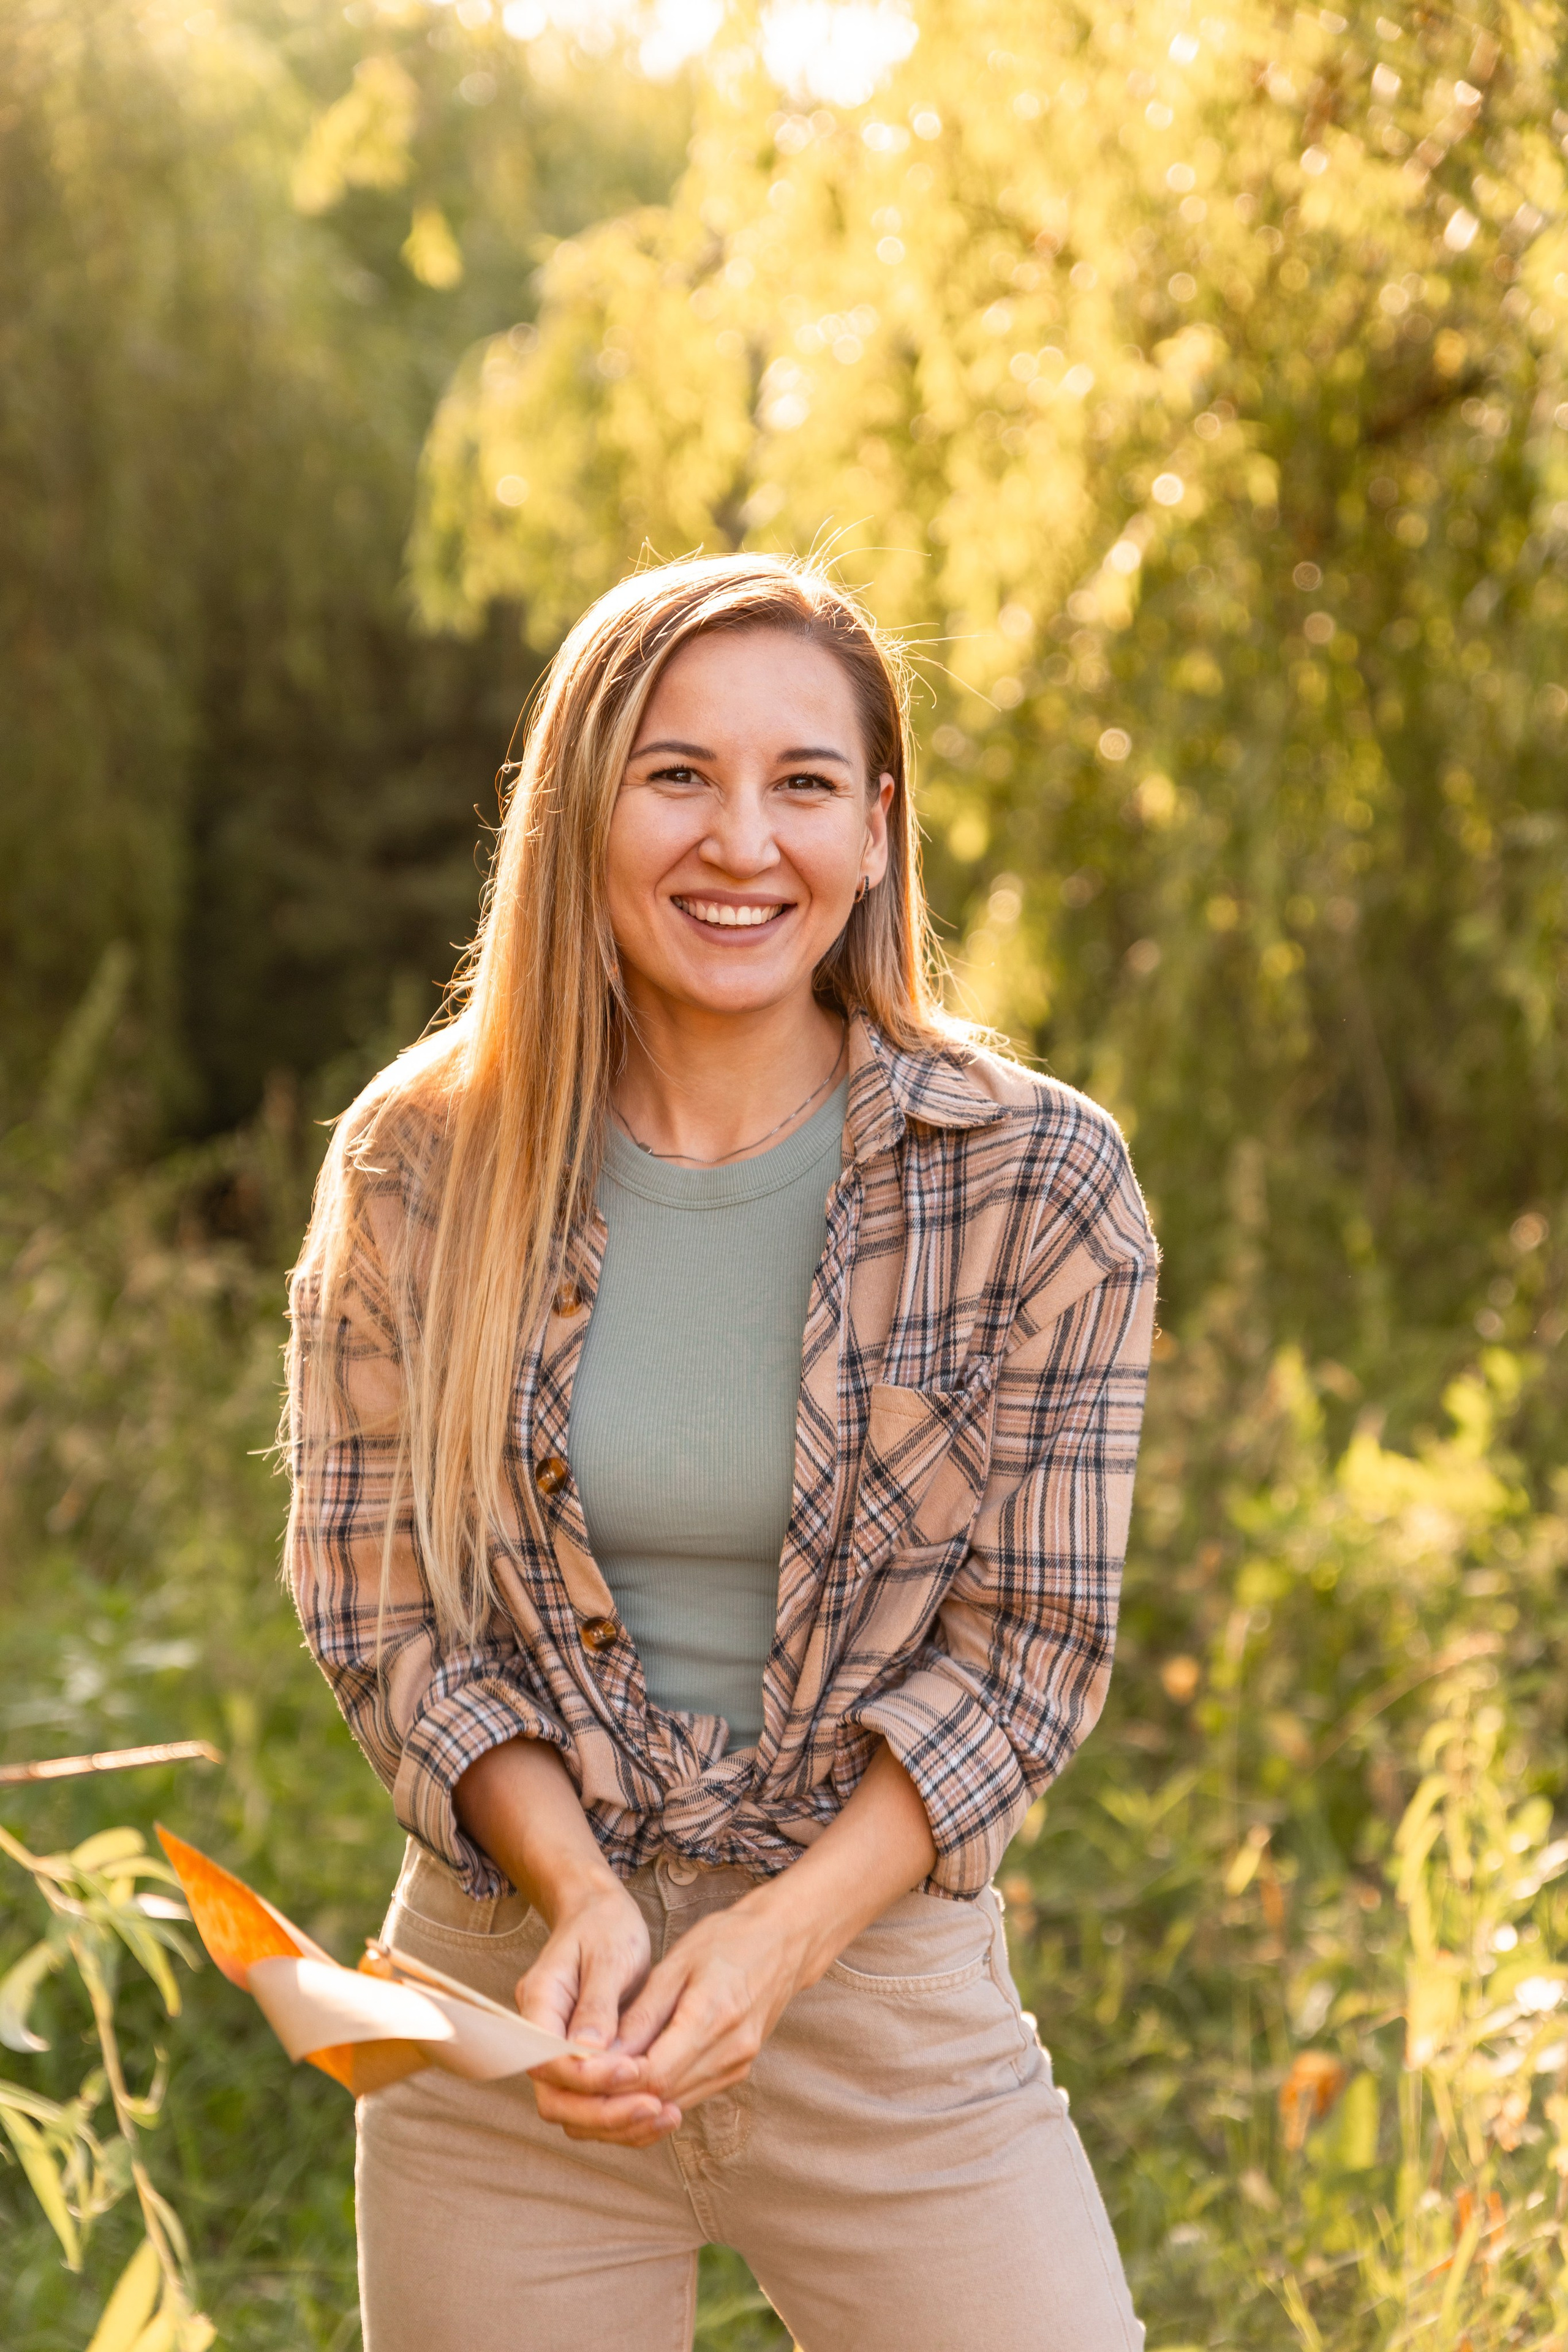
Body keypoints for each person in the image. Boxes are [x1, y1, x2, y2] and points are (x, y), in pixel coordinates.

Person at [285, 553, 1158, 2352]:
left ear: (878, 829)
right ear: (580, 807)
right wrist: (581, 1896)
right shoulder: (416, 1167)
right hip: (523, 2001)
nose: (741, 842)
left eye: (804, 783)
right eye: (677, 774)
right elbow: (378, 1607)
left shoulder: (1038, 1183)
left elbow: (1027, 1662)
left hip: (880, 2005)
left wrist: (772, 1946)